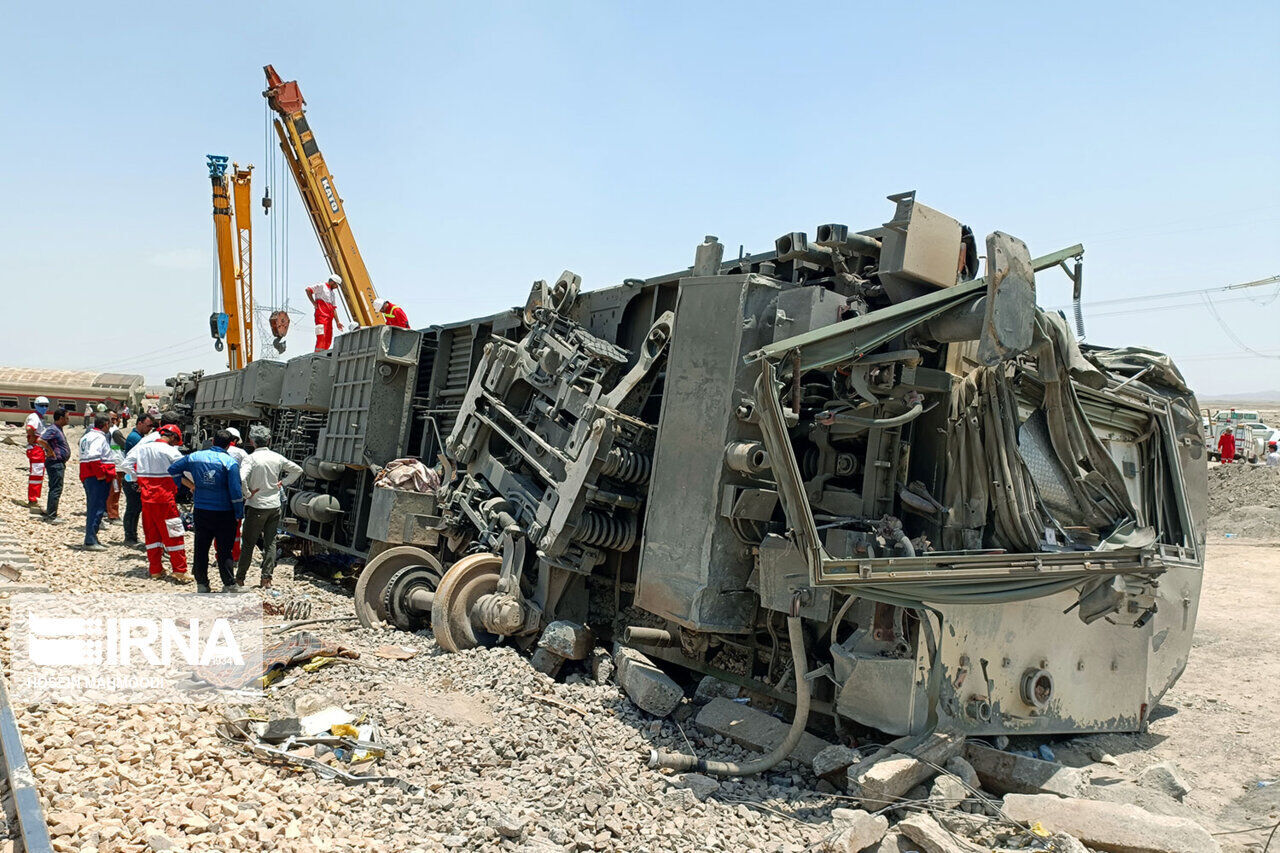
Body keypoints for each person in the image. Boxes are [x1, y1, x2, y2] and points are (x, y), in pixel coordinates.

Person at [168, 430, 244, 593]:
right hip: (224, 513)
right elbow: (236, 491)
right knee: (224, 550)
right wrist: (239, 512)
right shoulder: (229, 462)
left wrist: (187, 486)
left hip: (201, 510)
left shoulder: (195, 457)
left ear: (212, 441)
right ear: (229, 445)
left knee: (201, 547)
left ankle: (202, 583)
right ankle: (228, 584)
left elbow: (173, 469)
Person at [236, 425, 303, 589]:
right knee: (270, 542)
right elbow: (298, 470)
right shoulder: (277, 457)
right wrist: (283, 483)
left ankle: (240, 578)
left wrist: (247, 494)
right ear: (269, 440)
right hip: (274, 506)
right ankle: (266, 579)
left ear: (252, 441)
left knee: (249, 544)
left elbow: (241, 477)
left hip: (256, 505)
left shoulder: (250, 458)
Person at [124, 424, 190, 580]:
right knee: (174, 534)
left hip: (147, 500)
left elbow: (125, 465)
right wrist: (195, 485)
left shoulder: (142, 448)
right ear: (173, 437)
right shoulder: (171, 451)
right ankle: (180, 570)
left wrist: (137, 479)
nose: (176, 444)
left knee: (152, 535)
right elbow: (187, 470)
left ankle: (155, 570)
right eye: (176, 441)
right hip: (165, 500)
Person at [78, 414, 116, 552]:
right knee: (97, 508)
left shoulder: (86, 436)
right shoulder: (98, 438)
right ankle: (90, 540)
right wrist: (100, 474)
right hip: (96, 478)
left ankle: (92, 536)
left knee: (93, 507)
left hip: (88, 475)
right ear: (105, 424)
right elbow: (93, 456)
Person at [121, 413, 156, 545]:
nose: (149, 429)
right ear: (139, 423)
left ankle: (132, 535)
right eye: (148, 426)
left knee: (135, 509)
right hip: (131, 478)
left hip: (133, 477)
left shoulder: (139, 437)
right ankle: (129, 536)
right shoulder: (136, 438)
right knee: (132, 508)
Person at [35, 408, 71, 524]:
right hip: (55, 463)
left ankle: (51, 512)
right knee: (56, 488)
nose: (68, 420)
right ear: (60, 418)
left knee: (55, 488)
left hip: (58, 463)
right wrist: (50, 450)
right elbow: (41, 440)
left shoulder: (57, 429)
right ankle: (52, 516)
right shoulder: (53, 429)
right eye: (66, 417)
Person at [21, 396, 50, 509]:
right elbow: (29, 428)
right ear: (36, 405)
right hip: (36, 448)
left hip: (39, 448)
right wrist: (32, 437)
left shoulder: (40, 417)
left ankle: (34, 497)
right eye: (41, 405)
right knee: (36, 474)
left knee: (38, 473)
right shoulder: (34, 417)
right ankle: (32, 499)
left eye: (46, 405)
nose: (44, 407)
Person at [224, 427, 248, 561]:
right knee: (235, 526)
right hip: (235, 493)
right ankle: (234, 555)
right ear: (235, 439)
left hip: (219, 494)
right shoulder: (241, 453)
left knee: (219, 525)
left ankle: (220, 554)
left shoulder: (212, 451)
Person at [305, 274, 346, 351]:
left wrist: (337, 322)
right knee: (321, 337)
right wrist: (314, 303)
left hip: (329, 319)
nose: (337, 287)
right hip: (321, 317)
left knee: (328, 339)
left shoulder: (332, 294)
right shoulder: (321, 286)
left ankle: (323, 355)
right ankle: (317, 356)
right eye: (336, 285)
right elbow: (308, 290)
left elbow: (333, 309)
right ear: (332, 282)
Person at [104, 415, 126, 523]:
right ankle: (113, 514)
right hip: (116, 464)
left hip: (112, 463)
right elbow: (125, 445)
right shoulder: (115, 432)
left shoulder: (107, 432)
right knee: (115, 490)